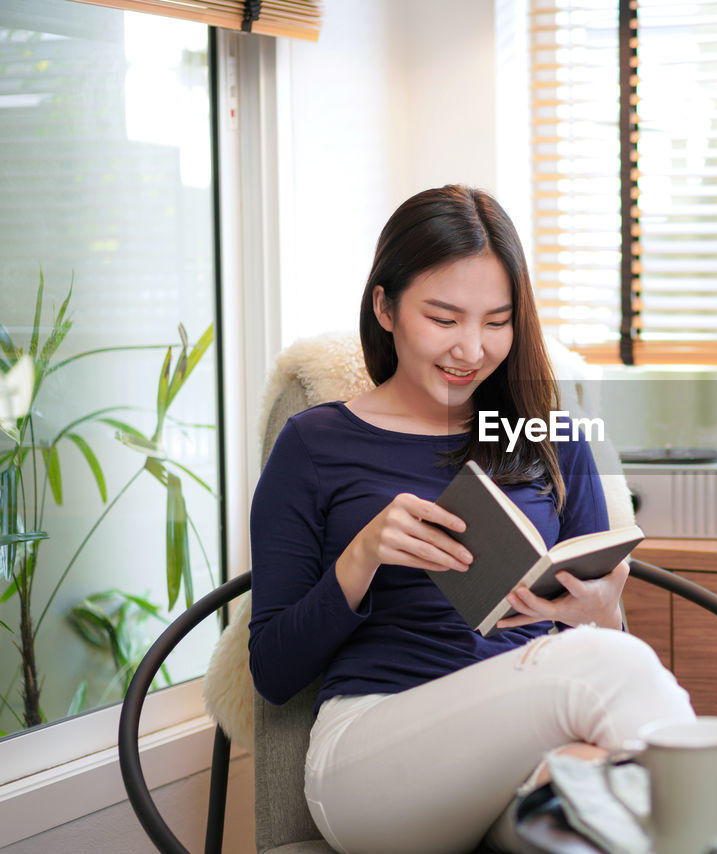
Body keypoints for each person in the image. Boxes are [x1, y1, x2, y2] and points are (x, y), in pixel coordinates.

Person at [248, 185, 694, 854]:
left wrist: (600, 609)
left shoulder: (551, 439)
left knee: (600, 799)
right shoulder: (314, 444)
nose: (472, 348)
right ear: (386, 307)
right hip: (370, 757)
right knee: (605, 673)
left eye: (496, 320)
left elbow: (602, 649)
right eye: (444, 316)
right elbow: (273, 674)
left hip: (517, 744)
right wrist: (361, 557)